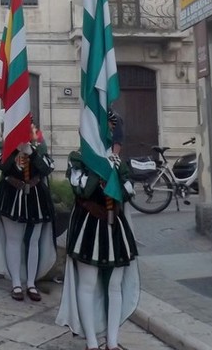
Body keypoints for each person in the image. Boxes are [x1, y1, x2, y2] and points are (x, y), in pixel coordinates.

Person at [55, 109, 140, 350]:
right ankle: (92, 342)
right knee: (88, 284)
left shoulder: (117, 161)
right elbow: (80, 189)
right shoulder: (78, 158)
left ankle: (112, 341)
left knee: (114, 286)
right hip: (88, 226)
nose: (110, 134)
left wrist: (113, 167)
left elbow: (129, 190)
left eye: (111, 130)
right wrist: (99, 168)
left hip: (115, 227)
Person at [0, 114, 57, 303]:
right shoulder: (3, 146)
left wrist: (31, 152)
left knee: (33, 241)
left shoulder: (39, 145)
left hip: (35, 196)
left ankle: (32, 283)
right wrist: (13, 150)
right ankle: (16, 282)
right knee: (13, 240)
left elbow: (46, 168)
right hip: (11, 194)